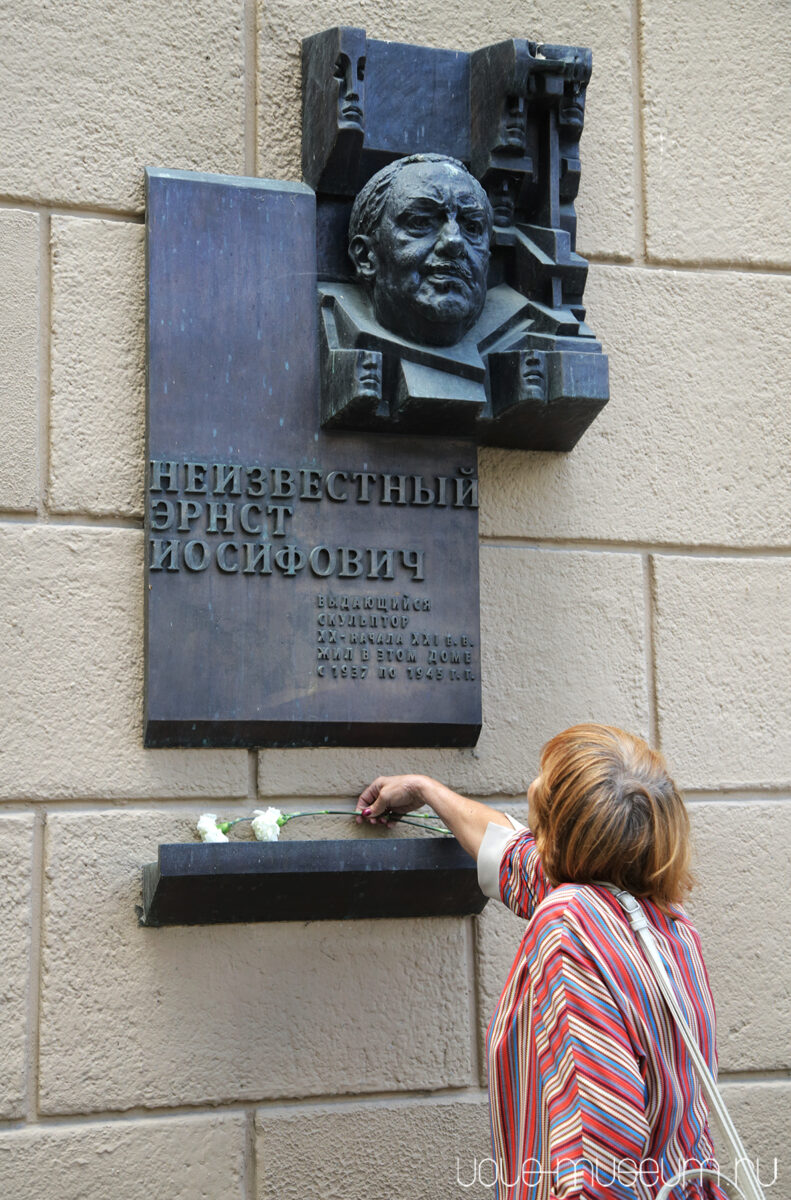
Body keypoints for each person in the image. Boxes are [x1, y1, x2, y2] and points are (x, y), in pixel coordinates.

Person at [356, 724, 727, 1199]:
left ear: (559, 820)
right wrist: (424, 789)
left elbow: (602, 1150)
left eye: (544, 780)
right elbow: (509, 850)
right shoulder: (669, 923)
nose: (533, 786)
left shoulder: (567, 922)